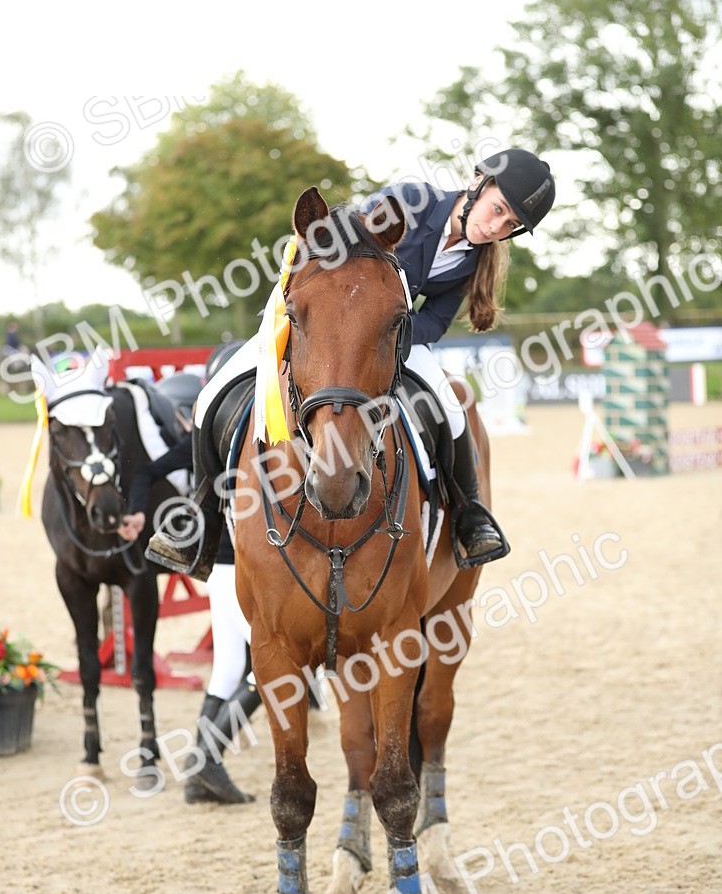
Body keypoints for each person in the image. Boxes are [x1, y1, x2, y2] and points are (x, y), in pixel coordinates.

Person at [145, 147, 555, 580]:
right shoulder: (413, 200)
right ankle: (200, 514)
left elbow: (435, 316)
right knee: (213, 391)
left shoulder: (472, 257)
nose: (495, 227)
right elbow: (347, 243)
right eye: (498, 210)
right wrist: (360, 321)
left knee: (452, 403)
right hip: (318, 313)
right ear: (478, 183)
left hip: (393, 335)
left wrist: (389, 334)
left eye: (509, 225)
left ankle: (470, 514)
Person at [117, 358, 262, 805]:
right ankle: (206, 758)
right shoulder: (224, 434)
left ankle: (202, 773)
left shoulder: (222, 432)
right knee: (272, 672)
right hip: (234, 563)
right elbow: (144, 473)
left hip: (222, 564)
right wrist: (139, 509)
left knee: (231, 667)